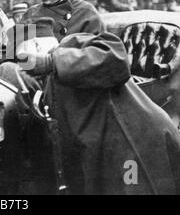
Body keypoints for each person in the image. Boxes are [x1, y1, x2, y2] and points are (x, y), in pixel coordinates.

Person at [10, 18, 180, 194]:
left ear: (37, 45)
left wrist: (52, 61)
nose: (24, 64)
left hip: (137, 139)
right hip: (107, 152)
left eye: (25, 56)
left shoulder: (72, 44)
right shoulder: (46, 81)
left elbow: (117, 58)